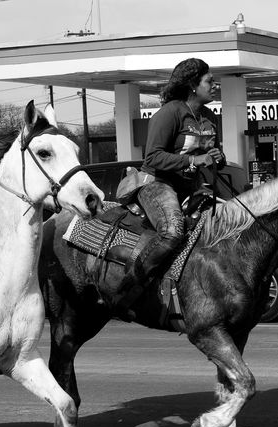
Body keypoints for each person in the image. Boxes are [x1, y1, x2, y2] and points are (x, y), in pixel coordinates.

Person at [114, 57, 226, 314]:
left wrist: (218, 157)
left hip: (191, 188)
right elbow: (152, 157)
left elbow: (210, 157)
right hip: (158, 184)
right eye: (209, 81)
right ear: (192, 85)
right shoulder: (170, 112)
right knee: (173, 231)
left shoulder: (208, 117)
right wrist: (194, 159)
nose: (214, 85)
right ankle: (130, 286)